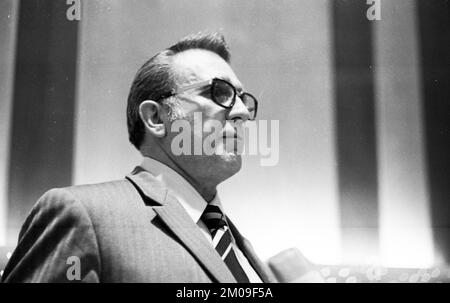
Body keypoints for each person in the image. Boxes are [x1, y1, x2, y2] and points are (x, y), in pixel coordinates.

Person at [1, 32, 276, 283]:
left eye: (242, 98)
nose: (241, 112)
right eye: (219, 92)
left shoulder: (239, 245)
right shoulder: (84, 214)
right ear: (156, 118)